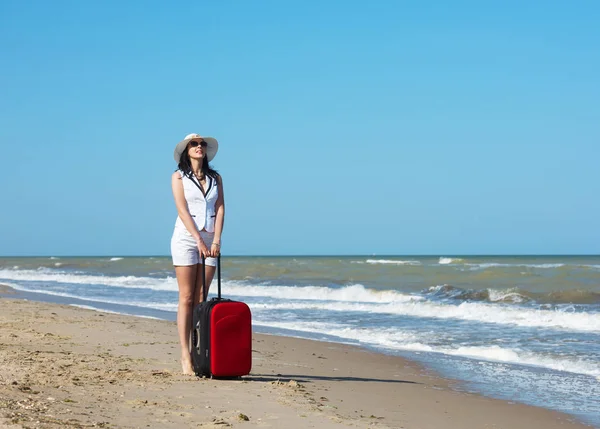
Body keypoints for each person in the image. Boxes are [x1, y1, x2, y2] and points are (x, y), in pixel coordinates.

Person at [170, 133, 225, 375]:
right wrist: (197, 240)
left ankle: (199, 351)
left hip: (210, 238)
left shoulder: (216, 177)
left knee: (202, 297)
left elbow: (220, 208)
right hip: (185, 237)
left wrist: (215, 239)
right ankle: (185, 355)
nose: (199, 147)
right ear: (186, 150)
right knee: (187, 296)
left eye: (202, 144)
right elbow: (182, 210)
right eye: (194, 144)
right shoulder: (178, 176)